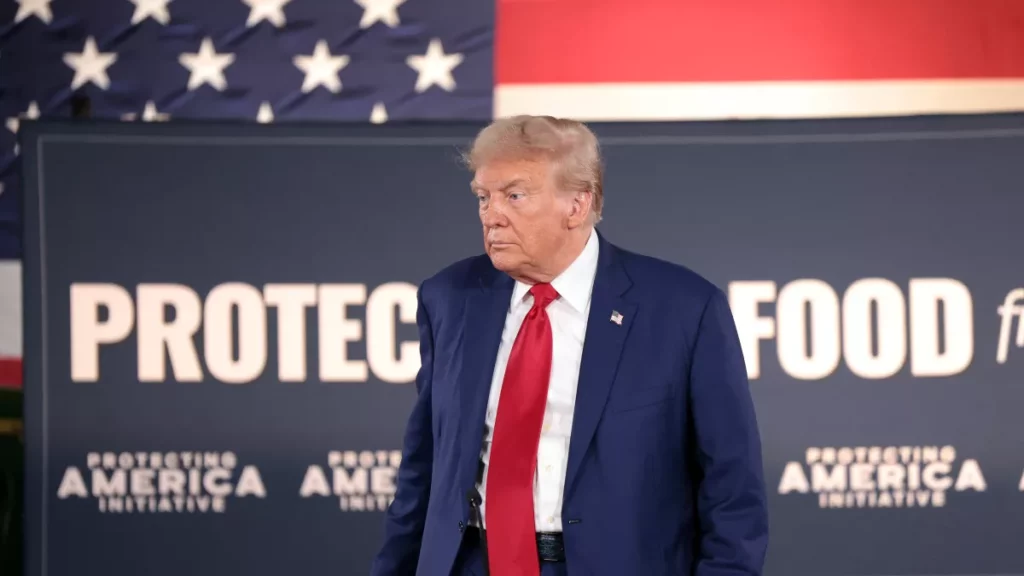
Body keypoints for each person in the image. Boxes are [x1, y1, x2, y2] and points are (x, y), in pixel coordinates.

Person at [370, 115, 769, 576]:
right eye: (484, 196)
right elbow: (423, 468)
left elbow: (732, 486)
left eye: (515, 195)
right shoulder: (449, 297)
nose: (491, 214)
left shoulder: (683, 308)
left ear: (576, 205)